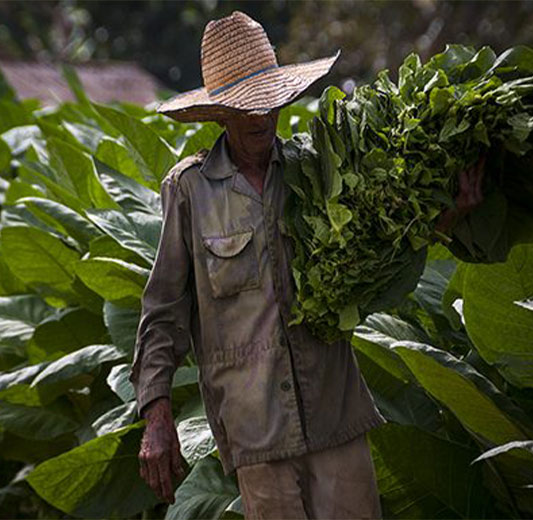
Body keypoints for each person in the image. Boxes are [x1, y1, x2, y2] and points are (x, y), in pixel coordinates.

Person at [129, 11, 484, 519]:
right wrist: (156, 414)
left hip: (335, 414)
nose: (262, 116)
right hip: (257, 431)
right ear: (221, 113)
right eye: (246, 107)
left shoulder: (316, 168)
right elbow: (162, 309)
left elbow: (378, 248)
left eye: (270, 102)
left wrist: (444, 217)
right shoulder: (190, 192)